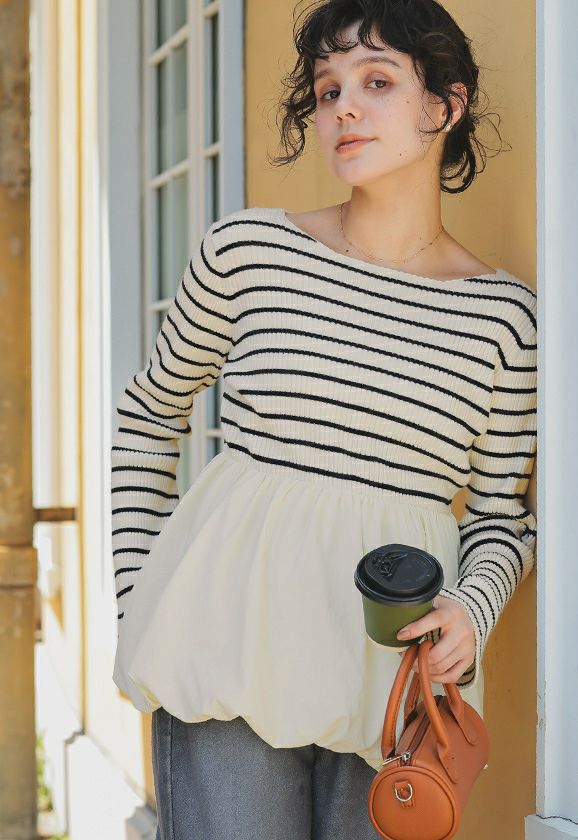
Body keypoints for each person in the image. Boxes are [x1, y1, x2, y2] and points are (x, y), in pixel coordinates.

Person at [110, 1, 537, 837]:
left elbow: (501, 517)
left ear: (445, 105)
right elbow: (149, 417)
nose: (343, 107)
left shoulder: (504, 319)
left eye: (377, 82)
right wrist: (141, 599)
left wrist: (472, 611)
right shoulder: (247, 253)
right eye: (328, 88)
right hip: (225, 657)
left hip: (395, 682)